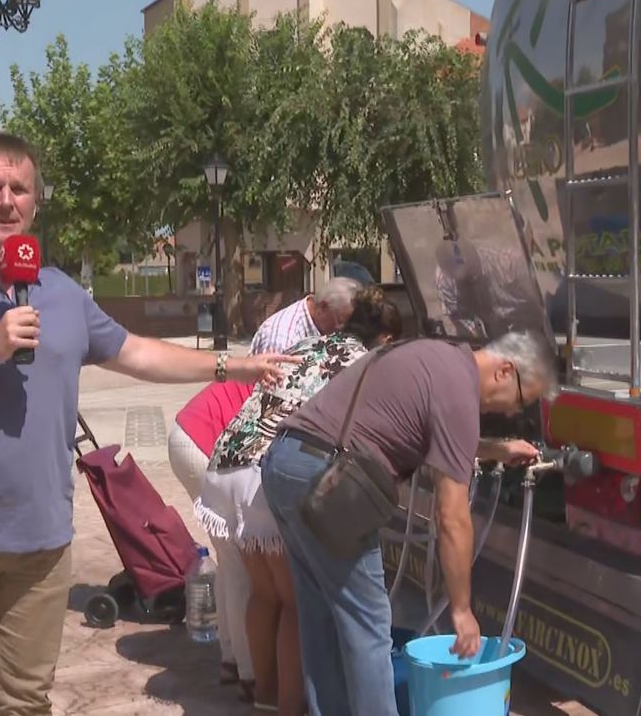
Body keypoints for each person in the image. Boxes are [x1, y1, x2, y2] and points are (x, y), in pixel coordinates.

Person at [0, 131, 294, 716]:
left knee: (27, 703)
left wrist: (232, 364)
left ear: (35, 201)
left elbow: (138, 352)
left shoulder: (61, 292)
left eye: (20, 189)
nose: (6, 201)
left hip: (42, 539)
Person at [259, 331, 557, 716]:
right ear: (504, 370)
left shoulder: (438, 356)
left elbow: (425, 426)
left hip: (287, 463)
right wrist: (462, 610)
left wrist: (495, 449)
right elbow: (451, 517)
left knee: (322, 617)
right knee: (369, 625)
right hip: (329, 485)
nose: (514, 413)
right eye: (521, 401)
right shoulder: (458, 392)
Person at [196, 287, 402, 715]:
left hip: (227, 461)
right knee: (295, 604)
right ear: (384, 338)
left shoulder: (310, 343)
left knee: (265, 593)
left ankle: (265, 697)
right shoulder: (366, 363)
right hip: (267, 471)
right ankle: (291, 708)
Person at [166, 379, 257, 697]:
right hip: (201, 441)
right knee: (241, 566)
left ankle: (231, 660)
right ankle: (249, 674)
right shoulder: (292, 377)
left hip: (188, 434)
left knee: (228, 560)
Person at [249, 277, 362, 355]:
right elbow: (272, 387)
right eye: (340, 321)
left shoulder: (320, 327)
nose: (342, 329)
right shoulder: (284, 339)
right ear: (322, 307)